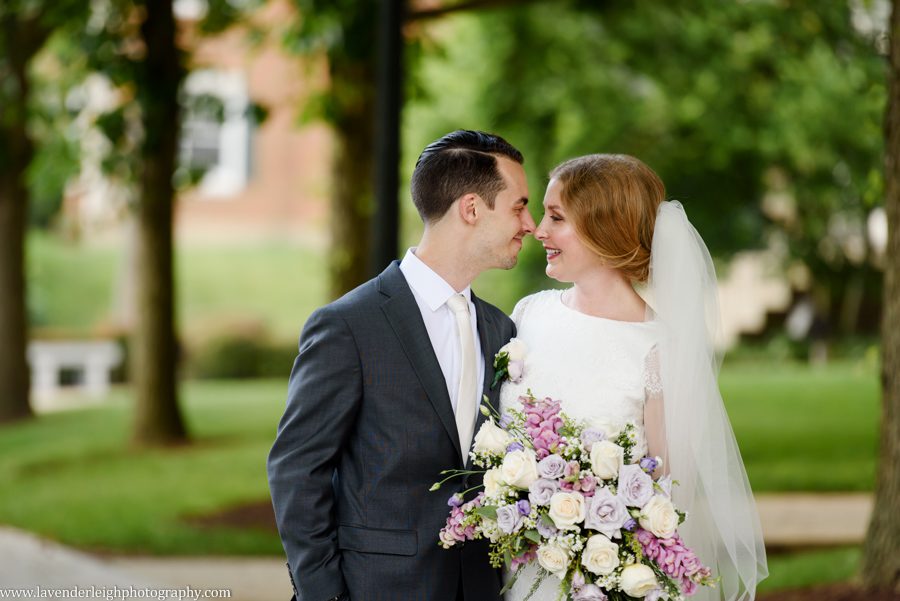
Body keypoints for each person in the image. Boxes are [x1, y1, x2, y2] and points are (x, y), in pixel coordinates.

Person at [267, 130, 536, 601]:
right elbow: (297, 467)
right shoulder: (348, 325)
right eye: (518, 206)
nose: (530, 224)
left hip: (478, 587)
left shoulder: (502, 332)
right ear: (471, 209)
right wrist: (324, 592)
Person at [499, 154, 768, 601]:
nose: (538, 230)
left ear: (604, 228)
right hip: (510, 571)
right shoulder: (530, 313)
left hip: (596, 582)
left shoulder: (657, 349)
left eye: (556, 217)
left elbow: (665, 496)